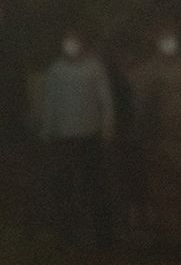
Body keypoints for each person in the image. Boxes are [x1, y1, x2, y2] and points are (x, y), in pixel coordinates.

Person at [34, 29, 118, 250]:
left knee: (96, 187)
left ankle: (103, 236)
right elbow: (50, 102)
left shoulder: (94, 67)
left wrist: (107, 130)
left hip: (90, 137)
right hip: (64, 139)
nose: (72, 45)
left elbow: (105, 101)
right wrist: (47, 132)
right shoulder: (56, 70)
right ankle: (68, 236)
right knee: (66, 189)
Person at [128, 24, 181, 247]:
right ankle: (172, 237)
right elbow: (139, 106)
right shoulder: (147, 71)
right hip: (158, 139)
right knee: (164, 190)